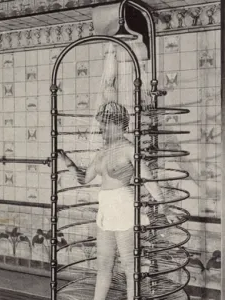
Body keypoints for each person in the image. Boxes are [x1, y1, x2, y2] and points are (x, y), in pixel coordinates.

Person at [58, 101, 174, 300]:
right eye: (101, 125)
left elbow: (148, 179)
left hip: (124, 207)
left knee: (130, 265)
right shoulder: (102, 152)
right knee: (104, 265)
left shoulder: (129, 149)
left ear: (119, 125)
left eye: (105, 124)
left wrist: (164, 207)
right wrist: (66, 160)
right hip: (106, 209)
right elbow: (84, 179)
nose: (101, 129)